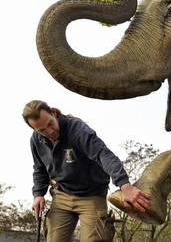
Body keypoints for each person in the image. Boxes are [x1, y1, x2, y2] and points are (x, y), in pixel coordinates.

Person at [22, 100, 151, 241]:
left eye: (50, 124)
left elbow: (103, 154)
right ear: (33, 129)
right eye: (42, 130)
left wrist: (125, 185)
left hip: (92, 195)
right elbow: (40, 169)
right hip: (62, 195)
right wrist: (38, 194)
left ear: (54, 113)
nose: (50, 131)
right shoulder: (36, 140)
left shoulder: (77, 130)